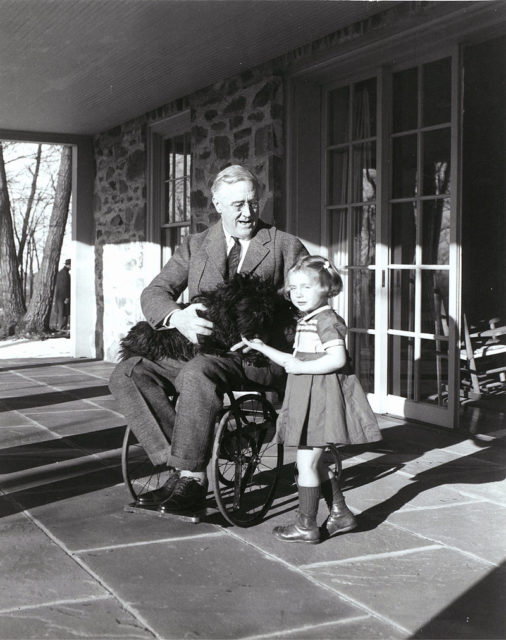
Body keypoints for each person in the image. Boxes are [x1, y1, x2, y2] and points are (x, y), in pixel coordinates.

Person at [109, 165, 308, 514]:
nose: (248, 213)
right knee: (128, 372)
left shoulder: (284, 246)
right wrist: (177, 317)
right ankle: (183, 465)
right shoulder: (197, 244)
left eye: (253, 203)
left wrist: (271, 341)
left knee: (196, 373)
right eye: (238, 205)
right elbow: (155, 291)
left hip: (253, 358)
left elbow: (308, 310)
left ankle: (192, 478)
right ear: (217, 203)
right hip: (202, 350)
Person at [236, 255, 382, 544]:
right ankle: (340, 514)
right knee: (314, 462)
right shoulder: (309, 319)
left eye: (306, 287)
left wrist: (302, 367)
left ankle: (307, 525)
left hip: (321, 400)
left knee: (305, 463)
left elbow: (337, 358)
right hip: (309, 396)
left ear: (327, 289)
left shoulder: (327, 320)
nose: (297, 294)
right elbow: (294, 360)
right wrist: (261, 347)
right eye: (293, 288)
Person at [54, 258, 71, 330]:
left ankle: (61, 328)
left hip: (59, 296)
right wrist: (67, 297)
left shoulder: (61, 272)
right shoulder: (65, 274)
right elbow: (65, 286)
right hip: (63, 297)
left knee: (62, 313)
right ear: (69, 265)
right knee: (63, 313)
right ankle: (61, 329)